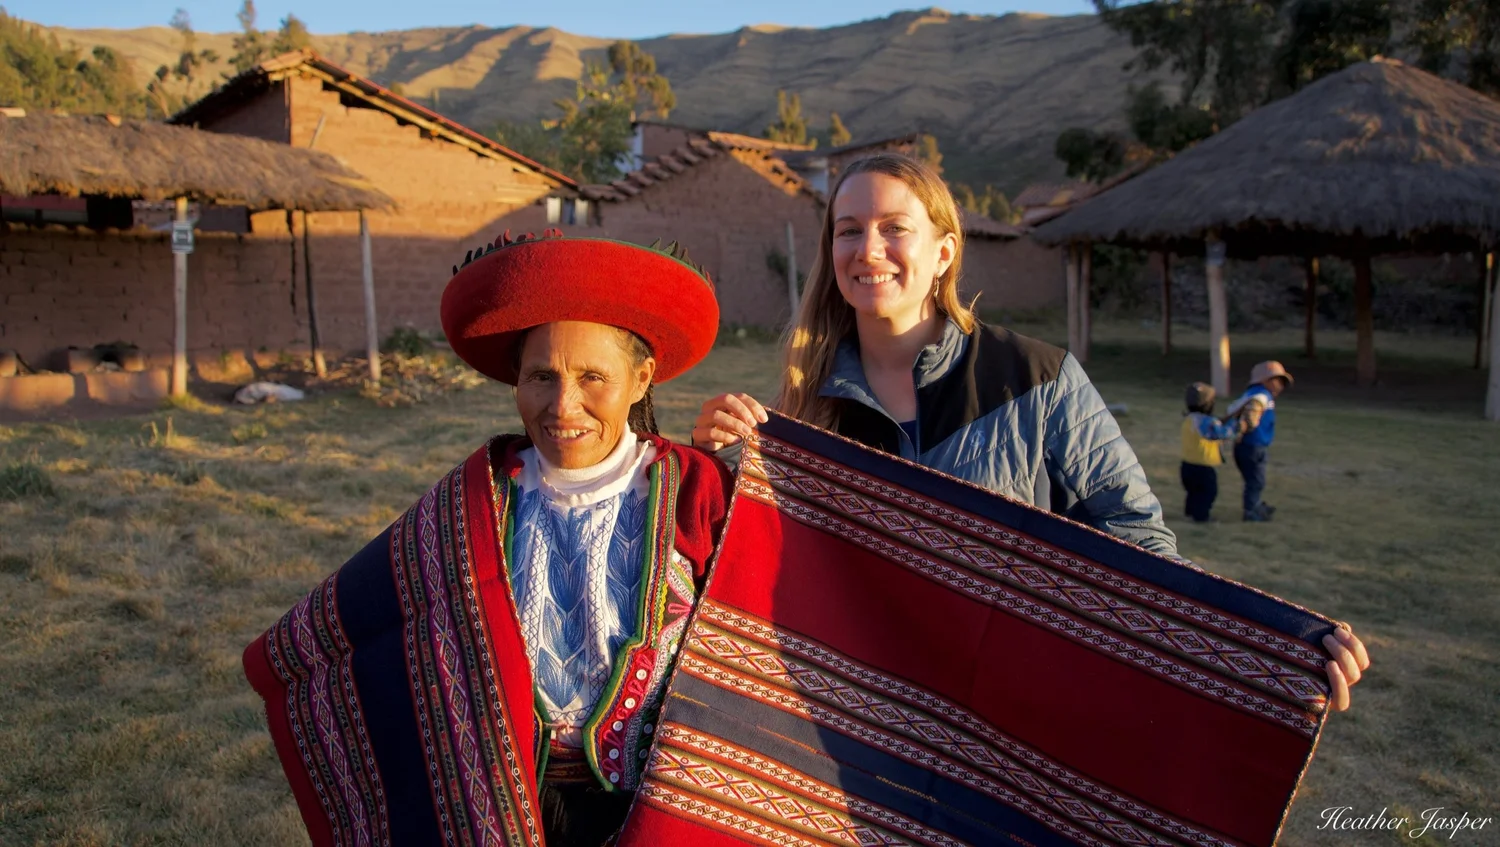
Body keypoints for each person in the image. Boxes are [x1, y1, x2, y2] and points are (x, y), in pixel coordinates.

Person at [692, 153, 1368, 710]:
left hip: (1004, 713)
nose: (869, 249)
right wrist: (713, 467)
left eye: (894, 227)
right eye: (848, 229)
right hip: (855, 717)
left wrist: (1276, 647)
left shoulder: (1039, 379)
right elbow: (748, 567)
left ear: (944, 252)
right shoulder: (802, 409)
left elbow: (1137, 545)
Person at [243, 232, 732, 847]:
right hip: (509, 809)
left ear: (641, 379)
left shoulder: (696, 490)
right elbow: (387, 621)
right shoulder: (478, 499)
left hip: (658, 809)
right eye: (540, 377)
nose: (564, 404)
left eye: (592, 377)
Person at [1227, 360, 1292, 522]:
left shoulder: (1256, 395)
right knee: (1256, 480)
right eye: (1278, 381)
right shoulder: (1260, 396)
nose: (1281, 386)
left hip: (1252, 445)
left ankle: (1255, 504)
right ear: (1265, 381)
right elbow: (1250, 418)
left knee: (1255, 480)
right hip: (1252, 446)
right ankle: (1251, 510)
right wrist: (1248, 426)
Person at [1180, 381, 1242, 522]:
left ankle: (1190, 511)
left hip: (1186, 465)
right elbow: (1222, 434)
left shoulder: (1189, 419)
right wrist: (1235, 424)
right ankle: (1201, 517)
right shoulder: (1208, 422)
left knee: (1193, 491)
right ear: (1208, 404)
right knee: (1208, 493)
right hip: (1204, 467)